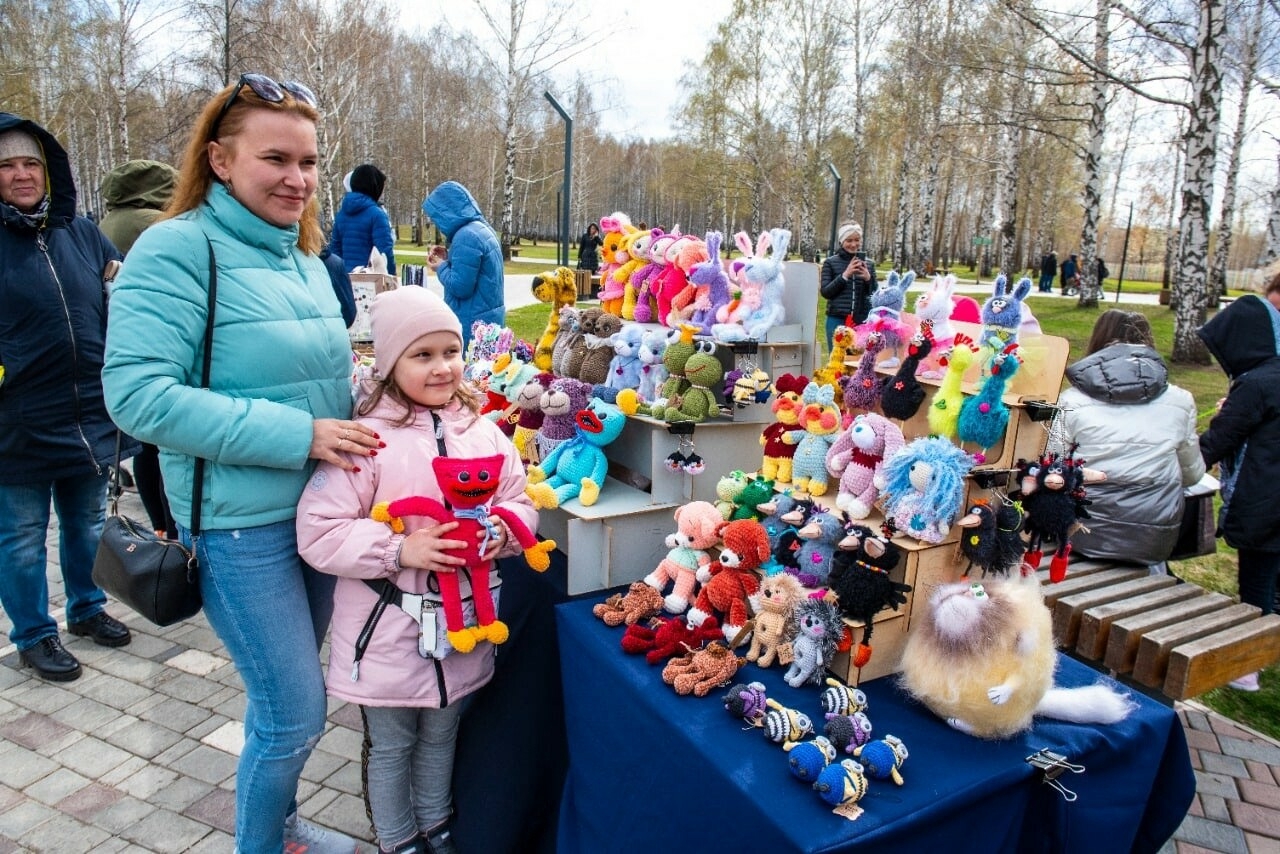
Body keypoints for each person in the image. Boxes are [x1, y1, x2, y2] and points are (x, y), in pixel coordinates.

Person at [100, 73, 371, 853]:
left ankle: (281, 829)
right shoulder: (175, 249)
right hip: (237, 526)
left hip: (319, 514)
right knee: (294, 710)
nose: (299, 180)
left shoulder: (305, 256)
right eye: (276, 159)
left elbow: (310, 382)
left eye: (311, 162)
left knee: (282, 704)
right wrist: (303, 435)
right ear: (220, 160)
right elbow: (139, 398)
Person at [296, 286, 538, 854]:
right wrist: (398, 550)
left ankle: (436, 828)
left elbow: (519, 498)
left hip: (463, 629)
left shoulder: (483, 431)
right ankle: (397, 840)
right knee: (392, 744)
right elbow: (320, 530)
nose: (442, 368)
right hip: (387, 632)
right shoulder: (366, 440)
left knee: (443, 734)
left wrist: (500, 530)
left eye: (450, 352)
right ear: (388, 364)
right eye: (422, 355)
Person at [0, 114, 136, 682]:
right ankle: (33, 633)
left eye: (30, 162)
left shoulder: (79, 231)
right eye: (7, 166)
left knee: (83, 524)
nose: (22, 174)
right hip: (18, 422)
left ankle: (86, 607)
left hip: (87, 413)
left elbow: (122, 287)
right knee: (23, 539)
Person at [1057, 311, 1204, 572]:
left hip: (1083, 532)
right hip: (1153, 536)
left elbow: (1053, 469)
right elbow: (1192, 476)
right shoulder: (1181, 401)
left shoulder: (1071, 401)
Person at [1198, 291, 1280, 692]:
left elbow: (1217, 442)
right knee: (1269, 577)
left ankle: (1248, 665)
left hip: (1264, 499)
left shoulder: (1257, 384)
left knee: (1256, 583)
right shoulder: (1271, 376)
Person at [99, 158, 180, 539]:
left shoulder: (105, 225)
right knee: (170, 448)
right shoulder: (159, 227)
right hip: (162, 340)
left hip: (115, 338)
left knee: (144, 446)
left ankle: (159, 528)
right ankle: (173, 529)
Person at [423, 181, 505, 350]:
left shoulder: (465, 236)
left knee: (469, 374)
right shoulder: (481, 229)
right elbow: (477, 270)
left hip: (471, 323)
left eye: (436, 217)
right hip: (488, 319)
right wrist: (448, 258)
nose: (436, 223)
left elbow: (460, 286)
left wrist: (441, 267)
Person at [330, 162, 396, 274]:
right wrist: (392, 279)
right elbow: (384, 253)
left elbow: (335, 250)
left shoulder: (341, 214)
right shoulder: (377, 215)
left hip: (346, 278)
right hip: (370, 280)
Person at [819, 222, 877, 349]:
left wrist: (868, 279)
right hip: (837, 319)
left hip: (861, 320)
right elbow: (825, 292)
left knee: (858, 361)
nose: (853, 244)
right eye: (849, 240)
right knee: (837, 359)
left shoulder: (869, 264)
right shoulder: (830, 263)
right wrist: (845, 275)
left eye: (857, 240)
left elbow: (875, 296)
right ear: (841, 241)